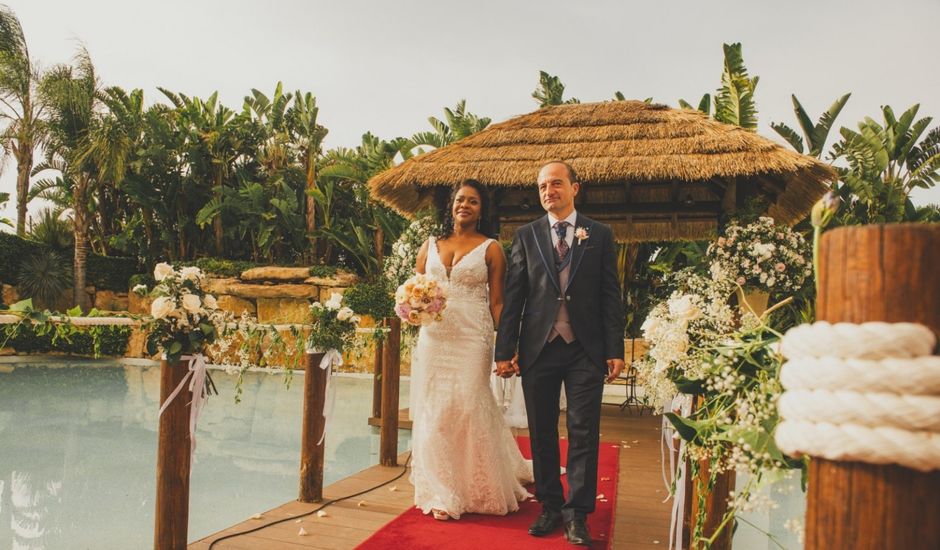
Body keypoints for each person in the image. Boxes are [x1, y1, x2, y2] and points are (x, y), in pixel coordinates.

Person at [495, 161, 625, 546]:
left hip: (586, 349)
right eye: (541, 186)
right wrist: (505, 350)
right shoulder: (526, 235)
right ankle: (551, 505)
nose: (548, 191)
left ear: (574, 188)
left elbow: (609, 295)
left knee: (584, 432)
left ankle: (577, 515)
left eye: (555, 183)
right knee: (542, 432)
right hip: (539, 348)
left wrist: (614, 348)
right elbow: (514, 296)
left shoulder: (599, 235)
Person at [410, 179, 534, 521]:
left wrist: (508, 346)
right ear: (451, 204)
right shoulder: (430, 246)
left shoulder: (491, 248)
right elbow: (414, 289)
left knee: (466, 405)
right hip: (434, 339)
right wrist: (412, 308)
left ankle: (476, 487)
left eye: (474, 202)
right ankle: (441, 490)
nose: (465, 205)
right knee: (435, 412)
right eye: (460, 199)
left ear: (482, 210)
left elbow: (497, 302)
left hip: (472, 337)